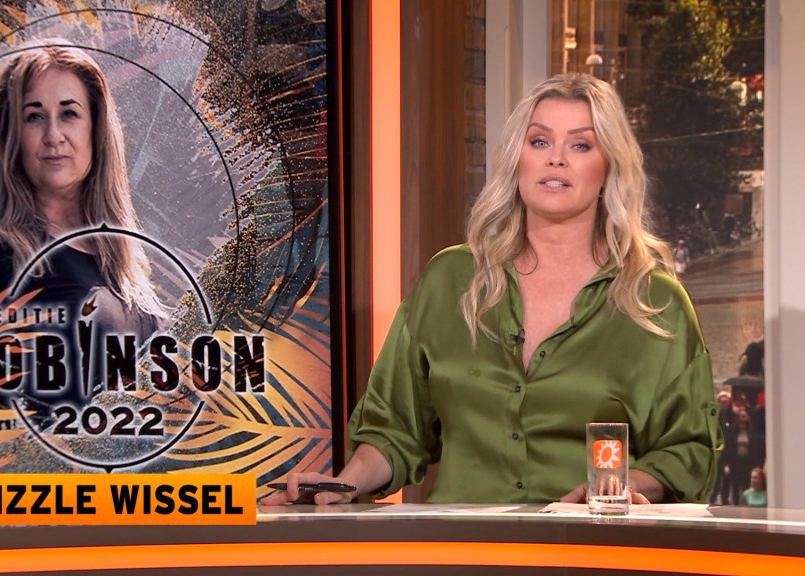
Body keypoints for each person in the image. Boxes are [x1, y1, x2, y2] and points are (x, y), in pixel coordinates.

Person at [263, 73, 720, 506]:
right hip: (463, 548)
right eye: (539, 141)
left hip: (589, 545)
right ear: (518, 158)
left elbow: (689, 450)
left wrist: (618, 487)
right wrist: (344, 484)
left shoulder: (654, 303)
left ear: (609, 168)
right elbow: (395, 427)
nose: (556, 159)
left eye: (580, 145)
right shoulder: (451, 280)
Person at [0, 41, 167, 420]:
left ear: (96, 128)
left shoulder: (121, 257)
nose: (53, 135)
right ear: (11, 135)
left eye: (69, 113)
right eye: (34, 117)